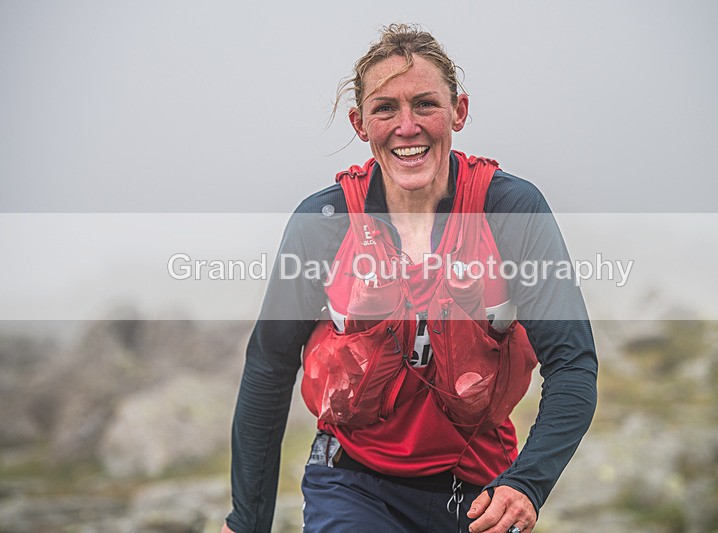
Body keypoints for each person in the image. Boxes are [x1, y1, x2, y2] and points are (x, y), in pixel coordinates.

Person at [222, 23, 597, 533]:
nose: (407, 126)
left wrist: (525, 484)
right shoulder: (326, 225)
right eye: (385, 109)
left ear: (458, 112)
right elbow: (268, 367)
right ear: (360, 124)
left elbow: (573, 363)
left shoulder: (509, 212)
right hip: (351, 483)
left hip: (478, 494)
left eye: (425, 104)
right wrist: (247, 522)